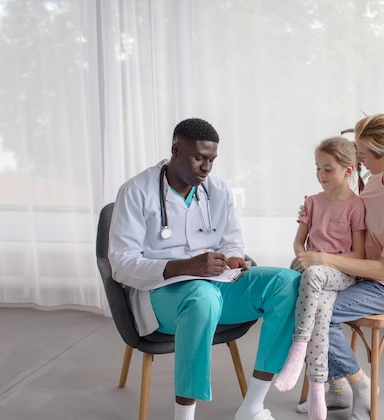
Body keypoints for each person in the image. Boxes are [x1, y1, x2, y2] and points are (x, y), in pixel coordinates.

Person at [108, 118, 301, 420]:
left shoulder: (217, 190)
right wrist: (185, 266)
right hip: (163, 297)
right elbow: (120, 264)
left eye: (211, 159)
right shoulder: (136, 191)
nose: (206, 167)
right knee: (201, 297)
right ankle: (184, 417)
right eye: (199, 158)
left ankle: (252, 406)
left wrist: (236, 257)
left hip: (218, 286)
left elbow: (233, 242)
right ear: (175, 150)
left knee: (288, 283)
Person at [291, 112, 384, 420]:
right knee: (296, 300)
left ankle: (360, 384)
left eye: (364, 155)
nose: (359, 160)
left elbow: (383, 270)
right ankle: (338, 387)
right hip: (355, 273)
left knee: (317, 312)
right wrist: (317, 210)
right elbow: (351, 218)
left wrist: (323, 259)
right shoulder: (377, 179)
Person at [273, 137, 366, 420]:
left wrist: (318, 262)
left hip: (340, 273)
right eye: (317, 168)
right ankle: (323, 389)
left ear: (348, 170)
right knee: (320, 311)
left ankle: (299, 346)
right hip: (312, 273)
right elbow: (299, 243)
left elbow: (358, 254)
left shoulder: (356, 206)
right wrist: (304, 258)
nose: (321, 175)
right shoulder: (312, 202)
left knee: (313, 276)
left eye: (328, 169)